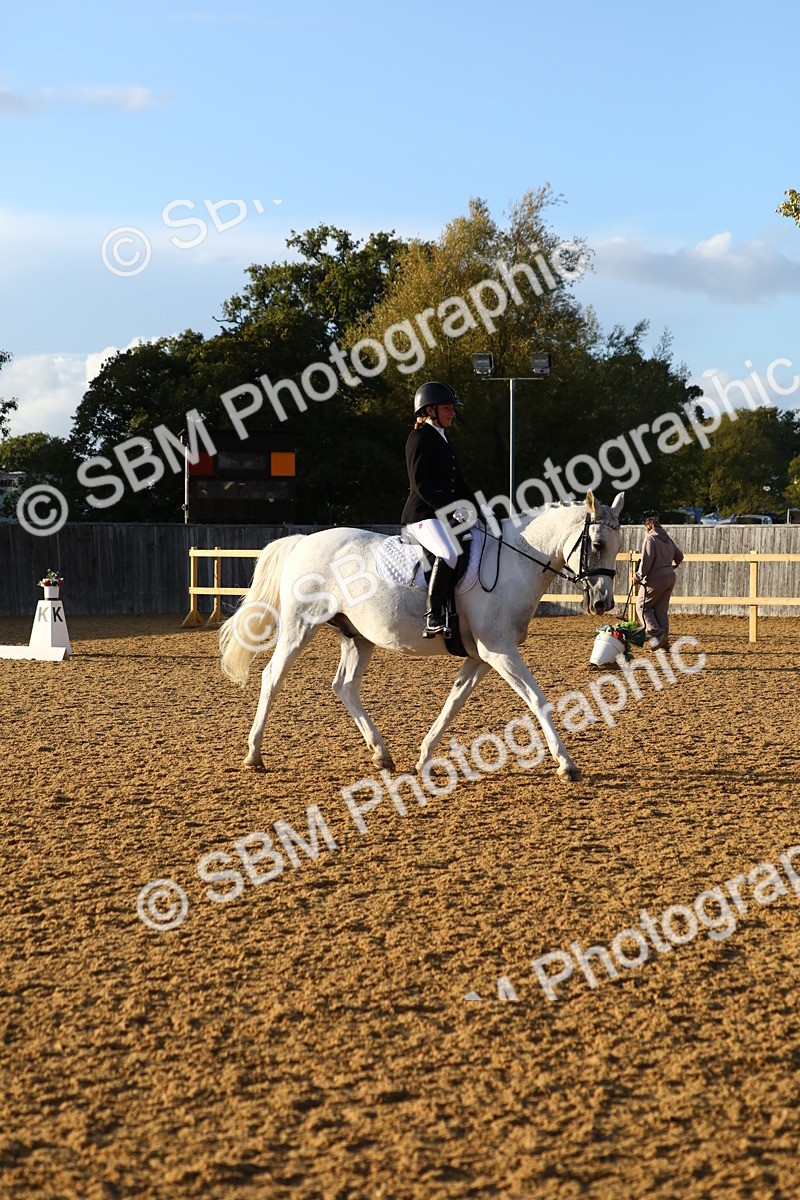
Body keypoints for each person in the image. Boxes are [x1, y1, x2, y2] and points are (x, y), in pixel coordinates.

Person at [401, 381, 479, 637]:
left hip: (441, 514)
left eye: (452, 408)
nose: (452, 412)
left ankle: (453, 611)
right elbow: (420, 483)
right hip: (423, 514)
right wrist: (450, 508)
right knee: (449, 553)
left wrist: (481, 509)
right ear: (430, 409)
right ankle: (432, 615)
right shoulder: (419, 437)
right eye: (447, 408)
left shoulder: (445, 439)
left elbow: (460, 483)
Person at [635, 514, 684, 649]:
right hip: (670, 577)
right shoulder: (668, 540)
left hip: (656, 578)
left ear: (647, 527)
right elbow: (679, 557)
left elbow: (646, 561)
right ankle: (665, 643)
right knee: (660, 610)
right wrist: (671, 567)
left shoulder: (650, 539)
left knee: (642, 607)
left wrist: (638, 576)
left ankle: (657, 634)